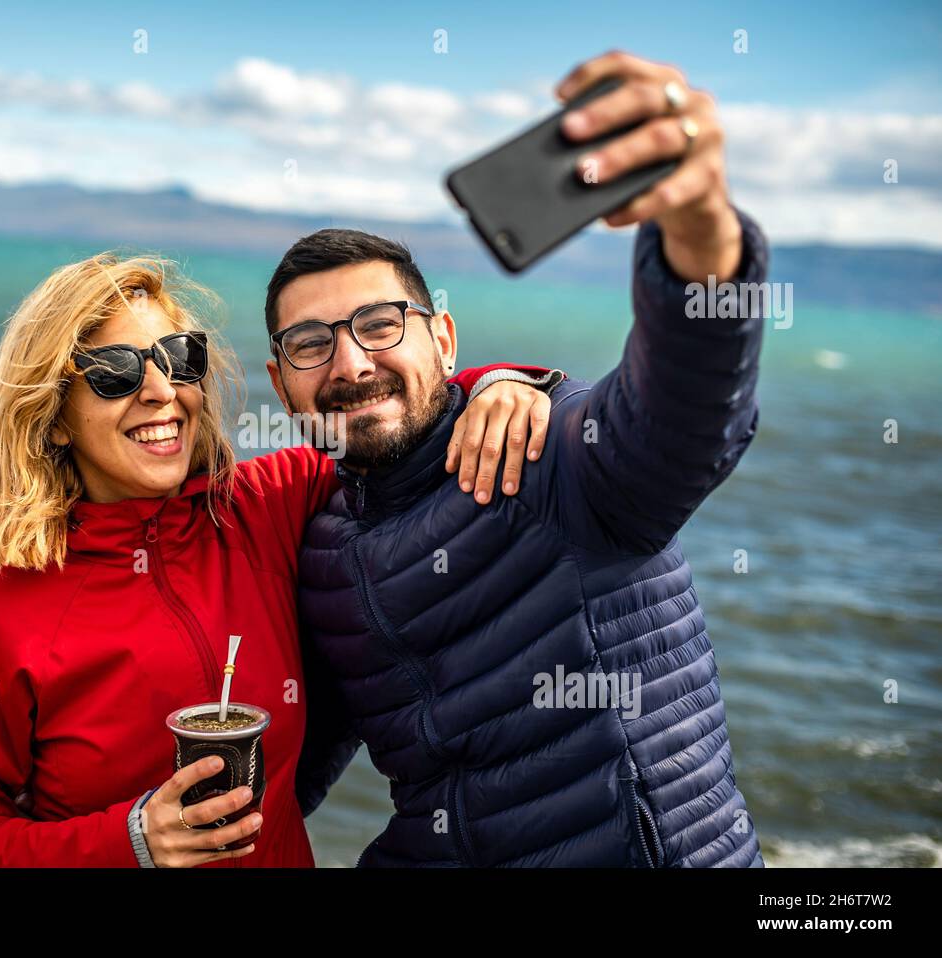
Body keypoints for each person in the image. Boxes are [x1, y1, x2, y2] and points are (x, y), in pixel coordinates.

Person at [0, 251, 557, 867]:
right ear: (56, 416)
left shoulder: (269, 505)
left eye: (177, 358)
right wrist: (131, 841)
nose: (160, 390)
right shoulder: (0, 604)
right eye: (115, 372)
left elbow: (389, 423)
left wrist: (497, 386)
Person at [274, 51, 768, 866]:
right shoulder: (323, 546)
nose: (351, 364)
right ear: (279, 382)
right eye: (309, 344)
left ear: (444, 339)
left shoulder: (550, 454)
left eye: (380, 325)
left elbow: (686, 412)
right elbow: (292, 768)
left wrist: (699, 229)